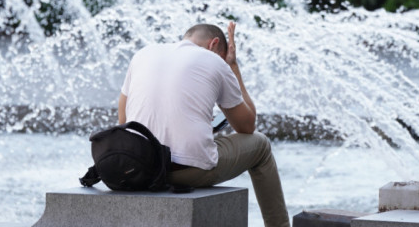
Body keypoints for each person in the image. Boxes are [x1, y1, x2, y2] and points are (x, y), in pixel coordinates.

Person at [118, 22, 290, 227]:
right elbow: (247, 126)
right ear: (214, 44)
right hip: (184, 170)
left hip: (139, 169)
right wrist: (232, 66)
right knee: (261, 145)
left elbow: (124, 122)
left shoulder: (143, 54)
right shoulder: (215, 62)